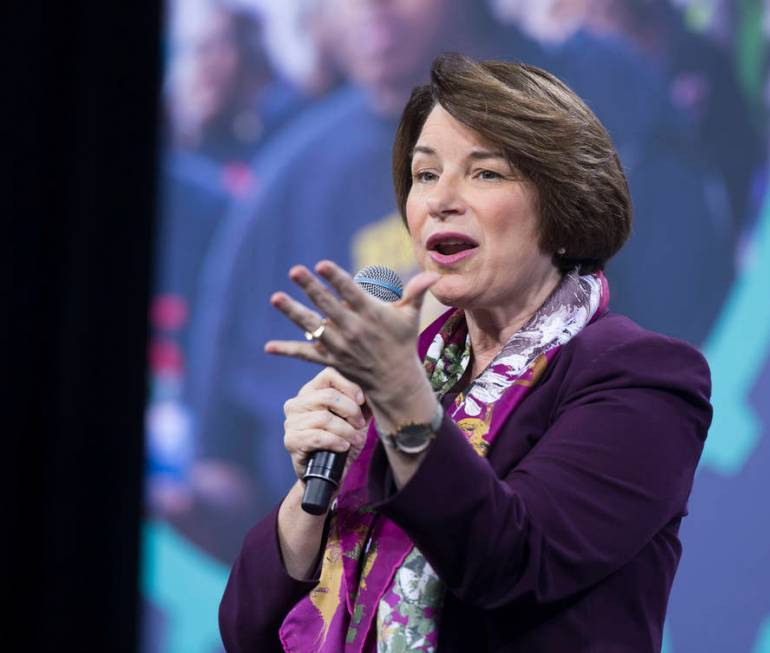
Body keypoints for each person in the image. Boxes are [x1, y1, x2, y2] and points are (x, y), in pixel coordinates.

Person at [218, 53, 712, 652]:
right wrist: (312, 491)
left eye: (485, 173)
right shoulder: (408, 368)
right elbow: (246, 629)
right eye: (425, 176)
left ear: (563, 206)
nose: (440, 201)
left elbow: (509, 561)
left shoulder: (640, 377)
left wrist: (399, 398)